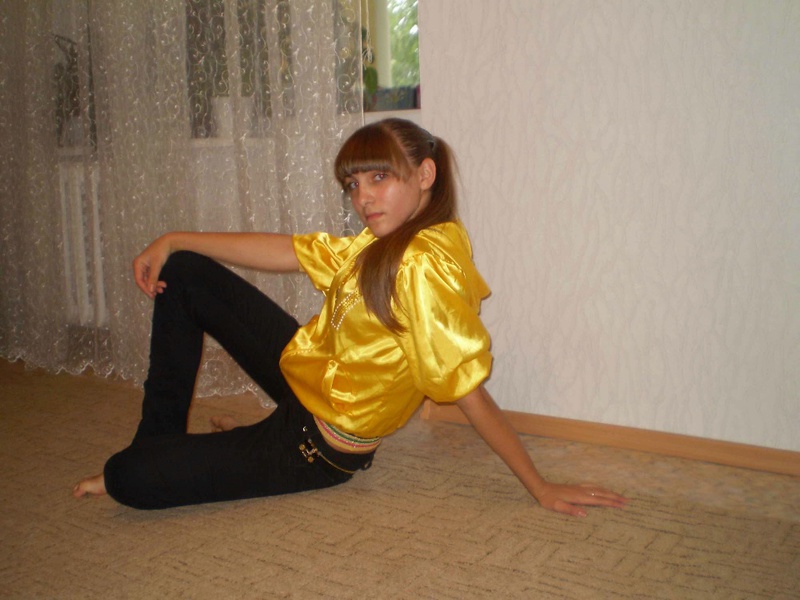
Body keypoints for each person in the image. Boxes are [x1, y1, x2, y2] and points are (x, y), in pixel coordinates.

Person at [73, 118, 627, 517]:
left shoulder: (422, 265)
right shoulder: (385, 238)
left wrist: (539, 486)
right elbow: (290, 250)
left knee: (127, 478)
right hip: (308, 374)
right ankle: (160, 440)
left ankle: (155, 457)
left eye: (379, 178)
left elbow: (466, 389)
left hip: (315, 445)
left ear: (425, 174)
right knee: (185, 270)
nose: (363, 197)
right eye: (353, 185)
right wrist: (174, 238)